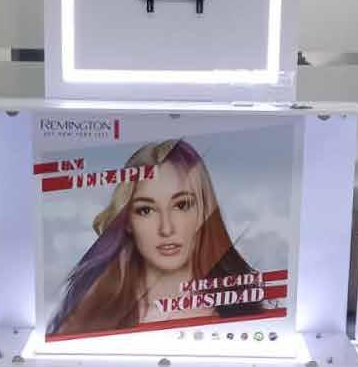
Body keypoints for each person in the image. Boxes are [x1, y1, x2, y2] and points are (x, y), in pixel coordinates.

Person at [47, 138, 262, 337]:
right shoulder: (90, 315)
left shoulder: (245, 310)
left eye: (181, 205)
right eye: (146, 210)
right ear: (127, 221)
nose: (166, 228)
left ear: (204, 211)